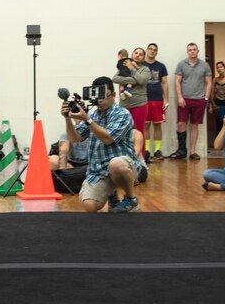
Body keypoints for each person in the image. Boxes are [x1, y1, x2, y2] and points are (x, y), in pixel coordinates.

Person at [63, 76, 140, 213]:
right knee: (89, 205)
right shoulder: (93, 115)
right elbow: (75, 138)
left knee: (116, 164)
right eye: (97, 96)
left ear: (114, 95)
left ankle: (131, 199)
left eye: (104, 95)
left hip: (123, 166)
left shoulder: (122, 113)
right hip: (99, 171)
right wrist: (68, 118)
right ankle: (112, 196)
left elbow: (108, 139)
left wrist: (87, 119)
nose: (100, 100)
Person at [173, 42, 212, 160]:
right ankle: (182, 150)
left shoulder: (204, 65)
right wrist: (180, 97)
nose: (192, 51)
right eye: (190, 50)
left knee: (194, 125)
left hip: (199, 100)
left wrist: (206, 98)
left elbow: (209, 82)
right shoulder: (181, 64)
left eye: (194, 49)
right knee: (181, 123)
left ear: (198, 51)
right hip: (184, 99)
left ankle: (193, 152)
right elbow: (177, 81)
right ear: (187, 52)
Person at [112, 47, 149, 135]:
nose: (137, 55)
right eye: (136, 53)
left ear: (143, 58)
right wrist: (135, 80)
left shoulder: (145, 69)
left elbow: (142, 80)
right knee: (123, 133)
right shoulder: (124, 65)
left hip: (139, 104)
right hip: (124, 105)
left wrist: (132, 68)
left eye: (141, 54)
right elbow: (115, 79)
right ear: (132, 54)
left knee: (138, 132)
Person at [142, 43, 169, 161]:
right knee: (145, 125)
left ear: (156, 52)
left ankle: (157, 150)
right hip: (144, 99)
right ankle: (147, 150)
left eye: (154, 50)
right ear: (146, 50)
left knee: (158, 125)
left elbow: (165, 83)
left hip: (158, 100)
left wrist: (166, 100)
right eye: (150, 49)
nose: (152, 51)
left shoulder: (161, 66)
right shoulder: (141, 65)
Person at [210, 60, 225, 136]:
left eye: (221, 67)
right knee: (218, 123)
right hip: (217, 104)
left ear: (224, 68)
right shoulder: (215, 80)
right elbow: (212, 93)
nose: (219, 69)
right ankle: (219, 140)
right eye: (217, 67)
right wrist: (211, 105)